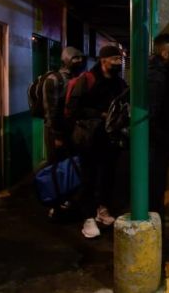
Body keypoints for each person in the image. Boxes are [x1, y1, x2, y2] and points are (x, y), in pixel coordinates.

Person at [67, 44, 127, 238]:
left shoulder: (119, 83)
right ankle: (88, 219)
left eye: (120, 59)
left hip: (110, 138)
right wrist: (100, 114)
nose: (119, 62)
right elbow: (73, 108)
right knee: (89, 178)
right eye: (115, 59)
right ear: (104, 60)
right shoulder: (87, 80)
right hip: (89, 138)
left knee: (108, 176)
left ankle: (102, 210)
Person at [148, 34, 169, 217]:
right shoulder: (157, 76)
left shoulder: (162, 72)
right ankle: (153, 222)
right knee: (155, 185)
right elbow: (152, 113)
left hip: (160, 141)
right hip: (157, 143)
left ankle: (155, 221)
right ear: (164, 52)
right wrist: (164, 138)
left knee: (157, 185)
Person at [42, 47, 85, 162]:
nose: (80, 61)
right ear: (67, 60)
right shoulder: (54, 79)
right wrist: (57, 136)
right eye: (76, 58)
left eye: (81, 58)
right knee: (55, 166)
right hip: (55, 132)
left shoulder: (77, 79)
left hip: (71, 130)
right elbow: (51, 111)